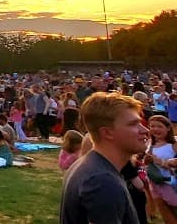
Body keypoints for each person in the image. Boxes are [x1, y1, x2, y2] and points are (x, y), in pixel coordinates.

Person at [60, 92, 148, 224]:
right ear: (107, 132)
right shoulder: (101, 181)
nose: (145, 130)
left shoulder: (89, 166)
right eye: (133, 124)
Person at [145, 114, 177, 223]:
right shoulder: (149, 143)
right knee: (166, 215)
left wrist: (164, 163)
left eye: (159, 126)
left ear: (168, 128)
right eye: (152, 126)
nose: (155, 129)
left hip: (171, 184)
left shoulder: (174, 144)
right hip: (155, 183)